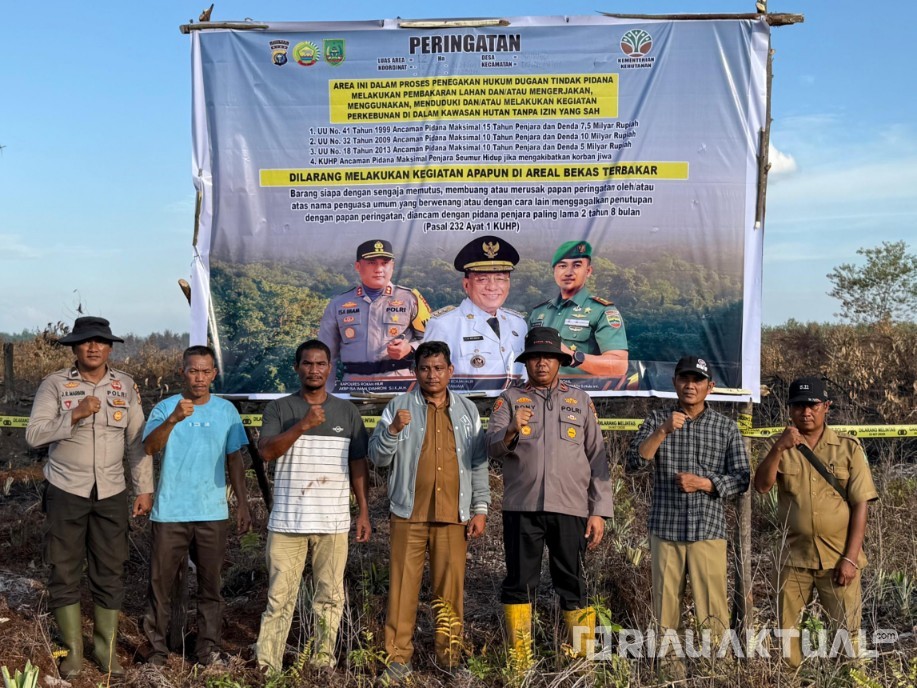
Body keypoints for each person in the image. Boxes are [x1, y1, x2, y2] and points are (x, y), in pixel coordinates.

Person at [25, 316, 153, 678]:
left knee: (110, 569)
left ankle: (105, 650)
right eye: (85, 342)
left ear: (110, 347)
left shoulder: (125, 386)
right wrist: (75, 415)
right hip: (66, 488)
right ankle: (72, 652)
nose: (93, 347)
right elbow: (34, 435)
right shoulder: (54, 385)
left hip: (111, 491)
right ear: (74, 347)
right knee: (63, 569)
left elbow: (136, 443)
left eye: (99, 341)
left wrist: (143, 487)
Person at [486, 326, 612, 666]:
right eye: (535, 357)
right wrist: (512, 428)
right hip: (522, 508)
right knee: (518, 584)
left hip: (570, 509)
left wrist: (598, 510)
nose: (542, 363)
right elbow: (492, 446)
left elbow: (597, 457)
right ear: (526, 362)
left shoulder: (580, 400)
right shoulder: (510, 398)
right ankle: (520, 661)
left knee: (573, 584)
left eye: (549, 357)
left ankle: (582, 658)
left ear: (559, 361)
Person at [368, 341, 490, 683]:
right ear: (415, 371)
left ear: (450, 371)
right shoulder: (399, 406)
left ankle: (449, 659)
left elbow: (479, 463)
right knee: (402, 589)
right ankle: (396, 660)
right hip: (408, 513)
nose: (431, 374)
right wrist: (393, 431)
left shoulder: (467, 411)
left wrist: (480, 508)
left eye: (438, 368)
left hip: (454, 514)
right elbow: (377, 458)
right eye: (424, 368)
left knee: (449, 591)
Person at [626, 355, 749, 677]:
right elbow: (635, 464)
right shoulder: (657, 420)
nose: (690, 385)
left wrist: (706, 483)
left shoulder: (726, 428)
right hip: (665, 529)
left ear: (711, 386)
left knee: (714, 608)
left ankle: (716, 670)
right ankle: (671, 673)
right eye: (684, 378)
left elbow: (742, 478)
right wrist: (665, 430)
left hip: (708, 530)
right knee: (666, 607)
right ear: (675, 382)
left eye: (697, 380)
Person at [254, 340, 371, 673]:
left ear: (330, 368)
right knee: (279, 599)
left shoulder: (347, 412)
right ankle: (268, 664)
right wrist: (302, 425)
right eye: (307, 364)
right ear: (297, 368)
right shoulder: (279, 409)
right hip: (287, 524)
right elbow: (266, 452)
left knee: (330, 598)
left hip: (333, 523)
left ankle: (321, 662)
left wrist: (362, 511)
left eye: (321, 364)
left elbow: (358, 464)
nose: (314, 370)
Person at [754, 376, 877, 668]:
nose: (805, 412)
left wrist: (850, 558)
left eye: (812, 405)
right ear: (790, 409)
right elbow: (761, 486)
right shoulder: (779, 445)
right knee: (788, 635)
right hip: (793, 559)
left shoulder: (847, 448)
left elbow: (861, 504)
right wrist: (779, 449)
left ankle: (851, 678)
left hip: (839, 559)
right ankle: (792, 679)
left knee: (848, 635)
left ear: (826, 407)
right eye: (798, 406)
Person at [141, 345, 251, 667]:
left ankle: (208, 650)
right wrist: (174, 419)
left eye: (205, 371)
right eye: (193, 370)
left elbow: (235, 460)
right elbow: (150, 447)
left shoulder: (226, 411)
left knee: (211, 587)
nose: (199, 378)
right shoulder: (164, 408)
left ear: (214, 374)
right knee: (160, 586)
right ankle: (158, 652)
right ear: (182, 372)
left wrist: (242, 503)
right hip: (170, 512)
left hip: (212, 512)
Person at [318, 239, 430, 390]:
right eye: (371, 262)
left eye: (385, 263)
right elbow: (326, 356)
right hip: (354, 389)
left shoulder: (411, 299)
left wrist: (410, 348)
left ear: (392, 266)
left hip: (401, 388)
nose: (379, 269)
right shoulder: (338, 304)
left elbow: (435, 341)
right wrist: (327, 396)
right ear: (358, 266)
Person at [422, 235, 526, 382]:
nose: (492, 287)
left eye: (500, 278)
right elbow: (430, 381)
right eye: (482, 279)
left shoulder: (518, 323)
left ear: (509, 283)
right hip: (468, 404)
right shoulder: (444, 324)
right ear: (466, 285)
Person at [528, 240, 628, 378]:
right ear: (554, 271)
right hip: (540, 394)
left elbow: (619, 366)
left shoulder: (602, 311)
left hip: (584, 394)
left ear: (588, 271)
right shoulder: (539, 312)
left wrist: (572, 356)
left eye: (576, 265)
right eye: (562, 266)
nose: (569, 272)